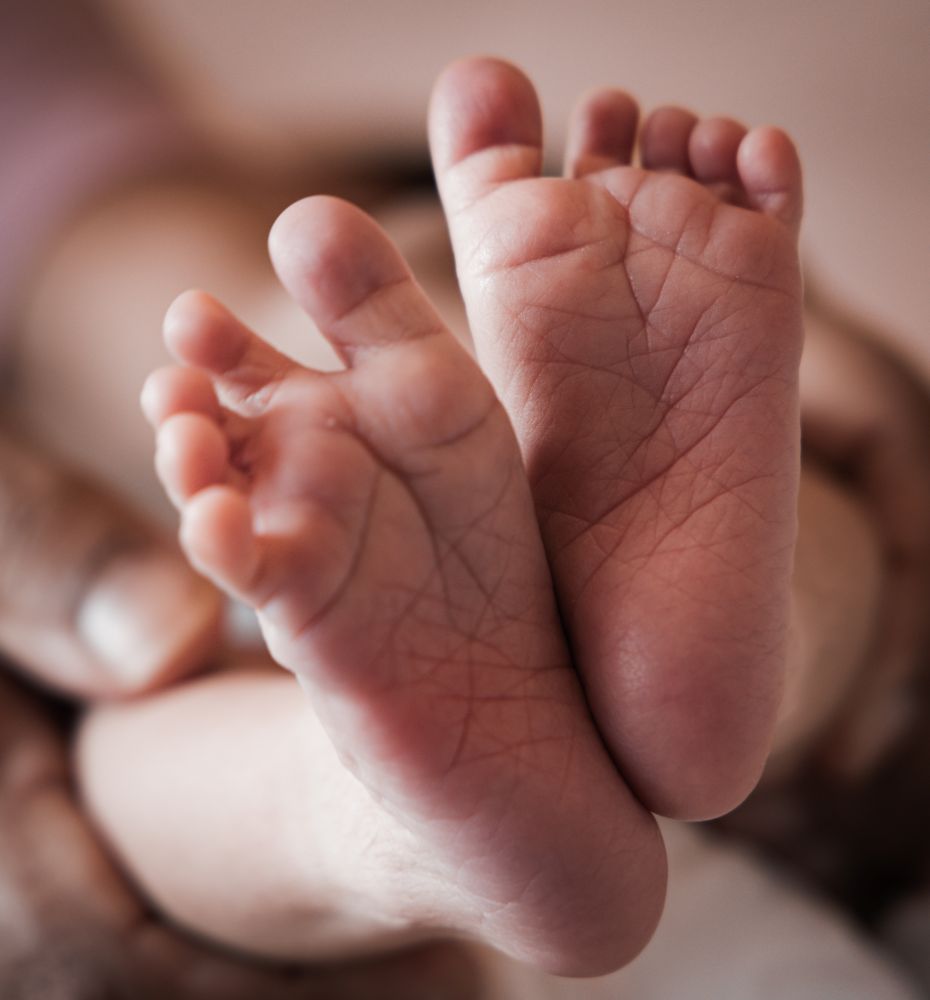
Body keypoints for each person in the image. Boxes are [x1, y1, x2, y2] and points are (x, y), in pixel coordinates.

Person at [73, 58, 924, 991]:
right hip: (318, 575)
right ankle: (766, 668)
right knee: (834, 555)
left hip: (261, 615)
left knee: (135, 759)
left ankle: (392, 824)